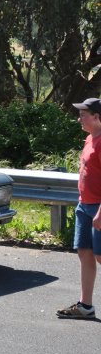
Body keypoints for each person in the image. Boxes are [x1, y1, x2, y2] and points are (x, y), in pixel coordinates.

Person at [57, 97, 101, 319]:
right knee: (85, 252)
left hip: (99, 208)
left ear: (97, 117)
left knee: (100, 255)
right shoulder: (89, 139)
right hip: (84, 205)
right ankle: (85, 306)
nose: (79, 119)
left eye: (84, 115)